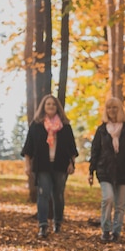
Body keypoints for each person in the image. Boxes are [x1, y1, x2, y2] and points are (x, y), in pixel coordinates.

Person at [22, 94, 78, 238]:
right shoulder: (36, 125)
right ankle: (43, 225)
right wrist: (27, 165)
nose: (51, 106)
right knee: (43, 194)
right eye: (48, 104)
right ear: (43, 107)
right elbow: (28, 148)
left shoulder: (65, 126)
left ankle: (57, 222)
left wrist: (72, 164)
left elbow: (72, 148)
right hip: (42, 166)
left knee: (58, 195)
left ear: (57, 107)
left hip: (61, 165)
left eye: (53, 104)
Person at [89, 97, 125, 243]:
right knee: (108, 198)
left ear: (119, 109)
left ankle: (116, 232)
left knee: (120, 204)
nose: (112, 110)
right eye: (109, 108)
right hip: (104, 170)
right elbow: (95, 151)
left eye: (114, 108)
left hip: (123, 171)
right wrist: (91, 171)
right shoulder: (101, 130)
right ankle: (105, 230)